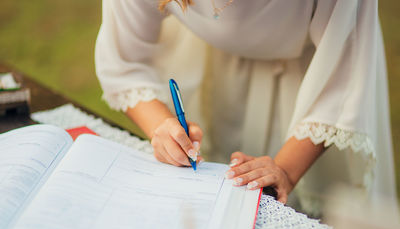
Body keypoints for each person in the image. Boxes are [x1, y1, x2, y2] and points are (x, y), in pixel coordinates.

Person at [95, 0, 398, 216]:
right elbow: (125, 61)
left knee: (322, 217)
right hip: (219, 70)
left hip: (316, 79)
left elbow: (342, 78)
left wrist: (286, 172)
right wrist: (161, 126)